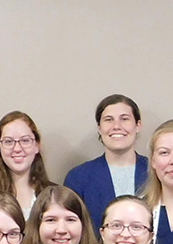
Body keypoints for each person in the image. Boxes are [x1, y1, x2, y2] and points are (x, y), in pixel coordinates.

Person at [63, 94, 149, 231]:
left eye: (124, 119)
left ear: (138, 125)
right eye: (108, 120)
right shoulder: (78, 178)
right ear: (99, 127)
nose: (116, 126)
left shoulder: (156, 171)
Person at [0, 111, 54, 216]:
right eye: (8, 141)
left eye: (25, 140)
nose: (17, 149)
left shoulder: (54, 194)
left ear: (37, 145)